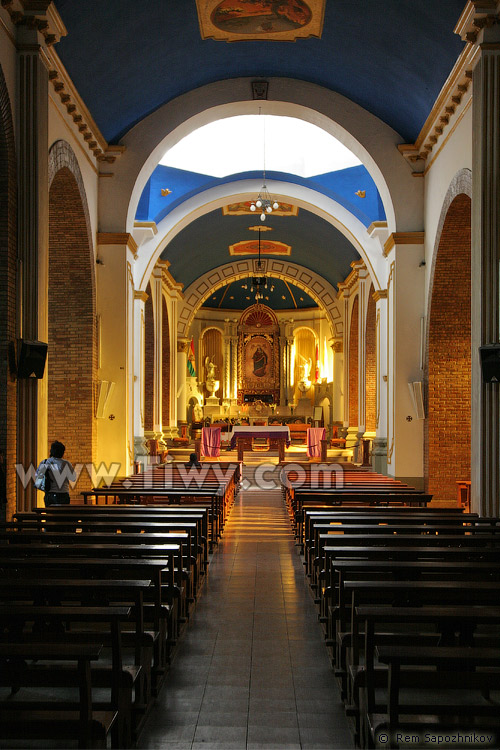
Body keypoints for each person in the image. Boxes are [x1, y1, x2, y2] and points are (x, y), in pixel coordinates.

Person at [35, 440, 76, 506]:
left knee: (50, 515)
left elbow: (37, 482)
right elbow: (73, 478)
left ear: (51, 451)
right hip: (63, 494)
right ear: (62, 452)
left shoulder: (45, 462)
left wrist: (45, 488)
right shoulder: (66, 463)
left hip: (50, 494)